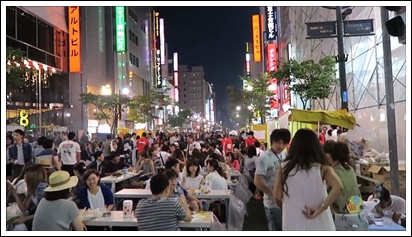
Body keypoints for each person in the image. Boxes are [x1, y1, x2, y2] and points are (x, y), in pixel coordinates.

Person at [274, 128, 343, 231]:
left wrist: (287, 205)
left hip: (292, 221)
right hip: (321, 222)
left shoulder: (284, 167)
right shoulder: (322, 167)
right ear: (316, 146)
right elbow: (338, 187)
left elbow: (277, 196)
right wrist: (321, 208)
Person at [254, 128, 290, 231]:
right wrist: (273, 194)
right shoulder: (264, 158)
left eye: (284, 143)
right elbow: (257, 181)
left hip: (283, 200)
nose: (281, 146)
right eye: (278, 143)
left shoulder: (283, 154)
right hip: (272, 203)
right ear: (272, 141)